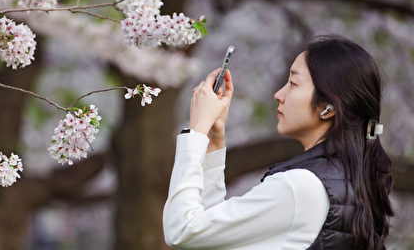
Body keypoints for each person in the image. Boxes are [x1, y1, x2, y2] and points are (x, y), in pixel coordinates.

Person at [163, 35, 394, 250]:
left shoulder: (299, 187)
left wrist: (196, 132)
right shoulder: (345, 181)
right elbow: (211, 238)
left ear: (328, 107)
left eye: (293, 83)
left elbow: (182, 232)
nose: (279, 94)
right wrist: (213, 144)